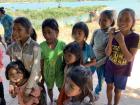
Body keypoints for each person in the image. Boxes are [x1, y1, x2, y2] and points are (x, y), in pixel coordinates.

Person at [6, 17, 47, 105]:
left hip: (33, 85)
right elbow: (12, 66)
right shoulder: (13, 47)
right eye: (13, 29)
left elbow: (35, 70)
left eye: (19, 29)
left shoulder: (35, 47)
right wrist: (12, 83)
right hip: (20, 83)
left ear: (28, 31)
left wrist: (27, 89)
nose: (15, 32)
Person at [105, 8, 139, 105]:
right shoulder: (114, 34)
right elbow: (107, 53)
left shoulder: (135, 37)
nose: (123, 22)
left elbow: (130, 58)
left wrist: (122, 42)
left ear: (133, 22)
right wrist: (111, 38)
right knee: (109, 87)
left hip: (123, 71)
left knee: (117, 91)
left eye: (127, 19)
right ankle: (109, 103)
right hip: (110, 67)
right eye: (120, 19)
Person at [90, 10, 115, 101]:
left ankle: (96, 92)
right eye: (100, 20)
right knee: (87, 76)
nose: (101, 22)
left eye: (104, 20)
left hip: (102, 63)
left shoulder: (111, 35)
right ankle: (88, 91)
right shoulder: (96, 32)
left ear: (111, 21)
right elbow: (90, 45)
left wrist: (98, 63)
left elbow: (109, 54)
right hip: (92, 60)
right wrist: (89, 58)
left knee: (100, 81)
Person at [40, 18, 65, 104]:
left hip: (60, 72)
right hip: (48, 73)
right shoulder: (41, 46)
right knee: (49, 88)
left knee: (60, 88)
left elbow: (66, 61)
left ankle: (60, 100)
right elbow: (41, 63)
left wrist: (66, 74)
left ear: (57, 32)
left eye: (49, 32)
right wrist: (42, 77)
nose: (46, 35)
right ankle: (51, 100)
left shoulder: (62, 45)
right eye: (44, 32)